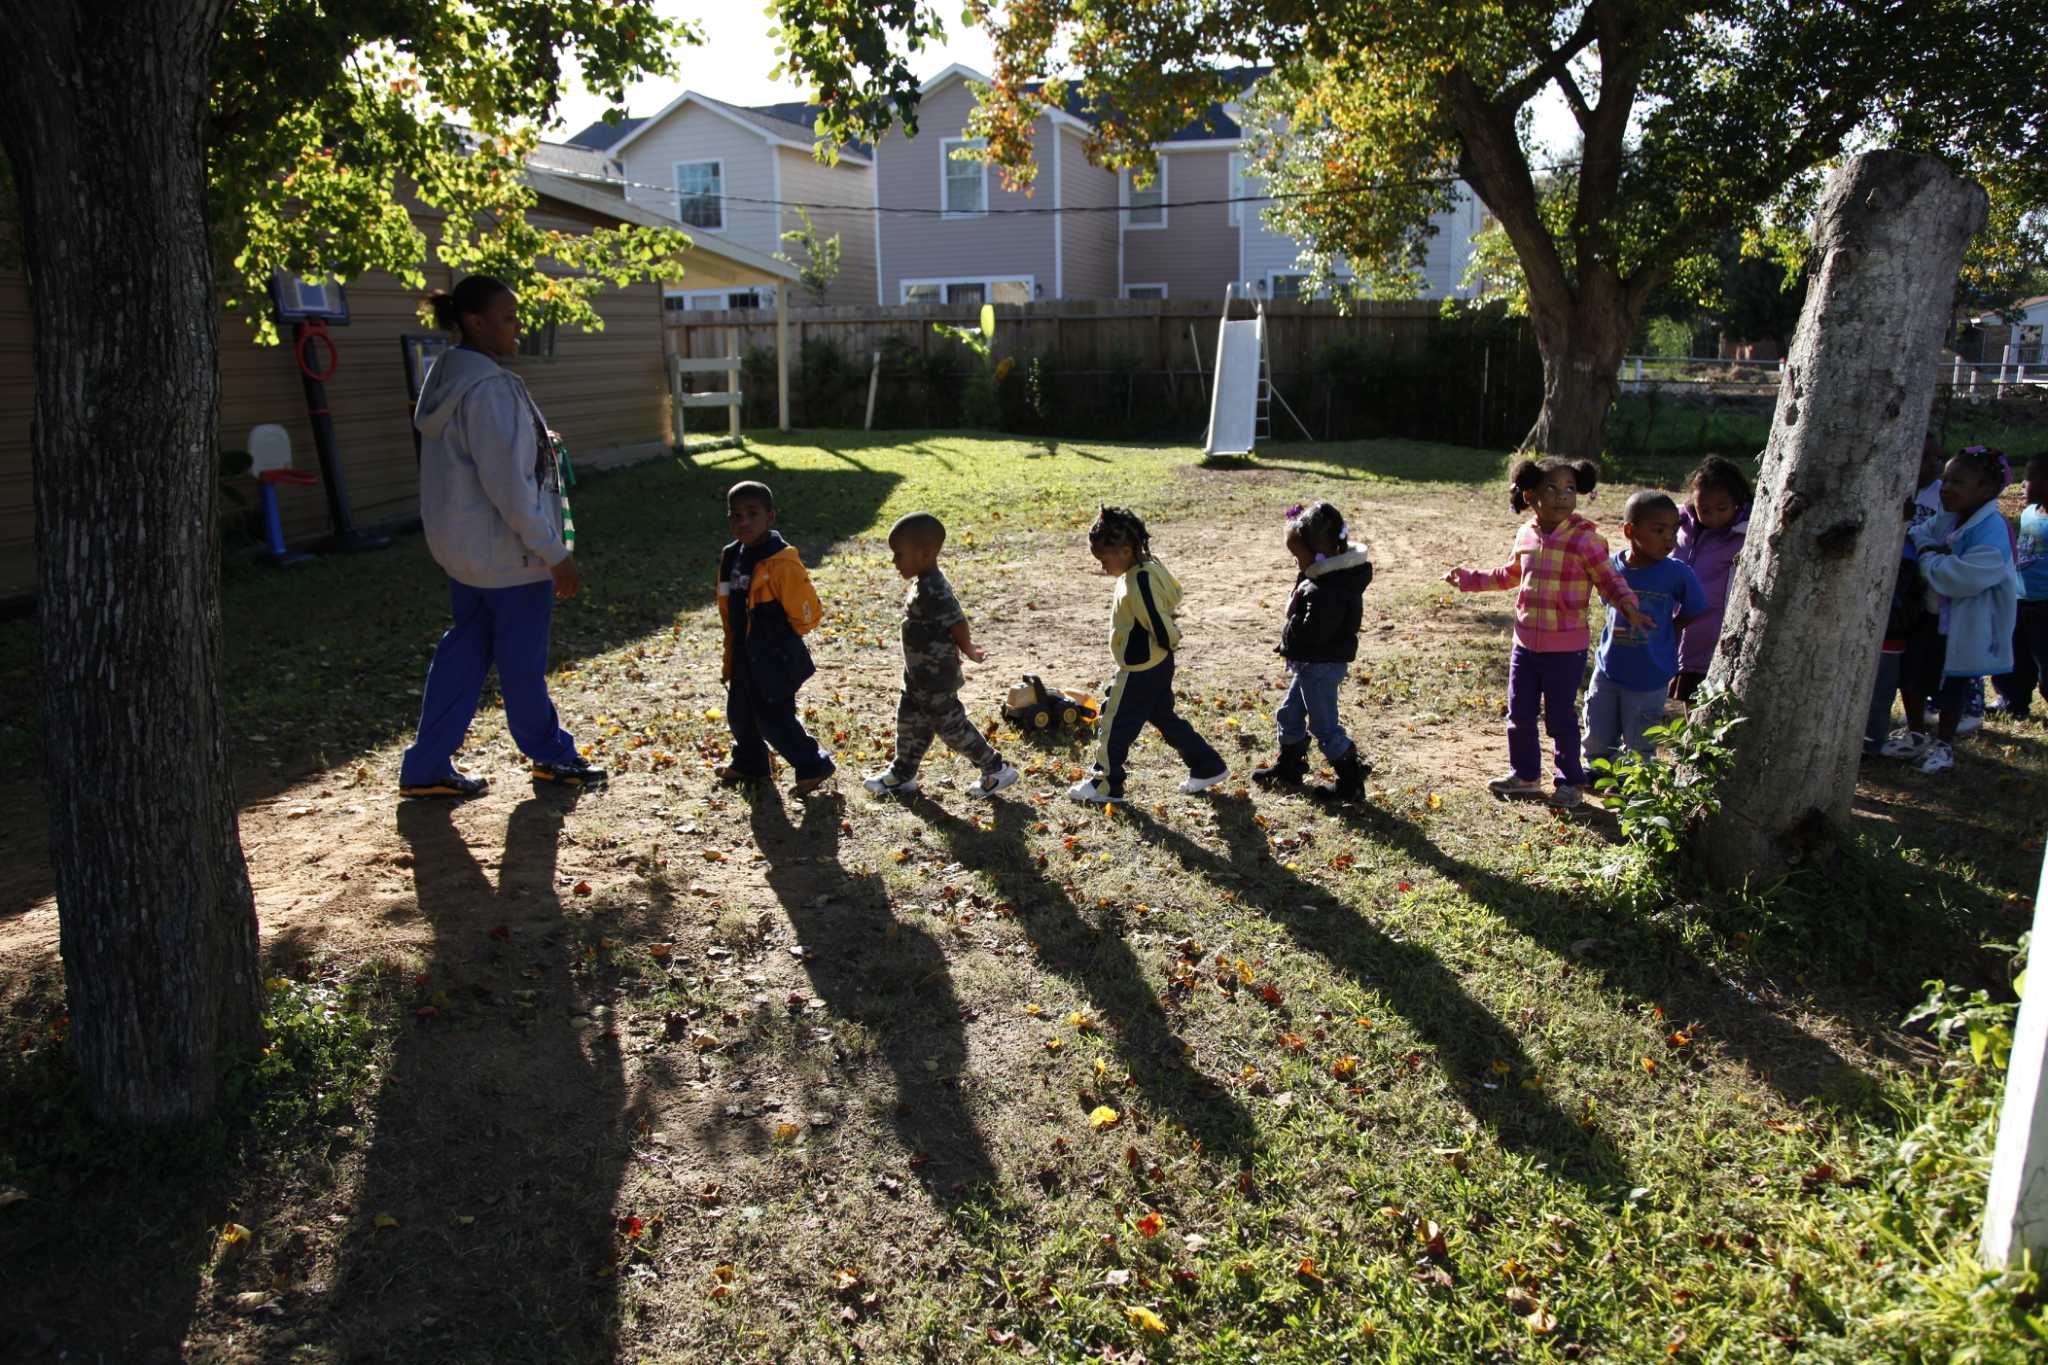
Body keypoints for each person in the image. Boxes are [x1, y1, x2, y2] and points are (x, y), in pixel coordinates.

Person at [398, 274, 603, 798]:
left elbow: (488, 462)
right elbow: (510, 488)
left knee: (465, 650)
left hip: (465, 555)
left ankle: (425, 767)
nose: (518, 327)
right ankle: (551, 756)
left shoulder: (448, 377)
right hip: (512, 557)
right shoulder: (489, 388)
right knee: (521, 663)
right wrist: (555, 555)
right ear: (474, 321)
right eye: (508, 317)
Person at [1445, 458, 1650, 809]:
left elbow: (1609, 580)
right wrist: (1469, 580)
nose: (1562, 496)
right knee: (1519, 713)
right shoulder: (1527, 534)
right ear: (1531, 495)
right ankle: (1525, 775)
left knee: (1560, 717)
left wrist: (1628, 604)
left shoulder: (1587, 539)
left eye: (1569, 489)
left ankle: (1569, 780)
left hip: (1565, 649)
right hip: (1524, 645)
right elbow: (1508, 575)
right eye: (1552, 489)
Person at [1067, 507, 1230, 805]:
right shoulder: (1149, 566)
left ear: (1126, 551)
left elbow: (1156, 619)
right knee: (1164, 717)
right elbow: (1174, 593)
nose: (1103, 568)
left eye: (1104, 561)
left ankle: (1105, 785)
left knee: (1112, 722)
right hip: (1158, 664)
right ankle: (1208, 765)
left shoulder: (1137, 581)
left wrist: (1170, 639)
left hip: (1141, 667)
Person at [1883, 446, 2021, 774]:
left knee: (1953, 685)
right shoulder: (1948, 516)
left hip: (1964, 622)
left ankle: (1944, 745)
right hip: (1930, 615)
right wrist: (1935, 552)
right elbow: (1919, 532)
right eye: (1945, 480)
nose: (1946, 488)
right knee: (1913, 674)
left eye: (1958, 482)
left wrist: (1931, 557)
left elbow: (1961, 578)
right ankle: (1916, 734)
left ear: (1986, 491)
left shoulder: (1992, 530)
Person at [862, 513, 1020, 798]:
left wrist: (968, 648)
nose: (894, 561)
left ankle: (995, 768)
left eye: (899, 554)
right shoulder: (922, 583)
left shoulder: (934, 587)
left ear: (924, 554)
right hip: (917, 677)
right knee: (909, 723)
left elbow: (956, 621)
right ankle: (902, 774)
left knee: (951, 727)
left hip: (935, 679)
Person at [1250, 501, 1375, 802]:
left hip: (1321, 665)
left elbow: (1313, 634)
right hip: (1312, 664)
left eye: (1298, 558)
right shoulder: (1323, 577)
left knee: (1324, 726)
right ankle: (1290, 766)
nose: (1296, 564)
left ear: (1319, 553)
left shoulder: (1328, 590)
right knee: (1289, 714)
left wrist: (1292, 618)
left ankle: (1351, 779)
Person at [715, 480, 835, 794]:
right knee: (740, 712)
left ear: (770, 517)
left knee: (773, 716)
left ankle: (813, 764)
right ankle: (751, 764)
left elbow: (806, 613)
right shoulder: (732, 556)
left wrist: (780, 634)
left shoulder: (781, 561)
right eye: (736, 515)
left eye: (752, 514)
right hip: (743, 650)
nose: (743, 522)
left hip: (774, 655)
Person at [1584, 492, 1706, 770]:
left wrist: (1672, 629)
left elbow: (1696, 607)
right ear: (1630, 530)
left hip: (1651, 673)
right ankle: (1597, 769)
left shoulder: (1677, 573)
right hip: (1609, 667)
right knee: (1599, 727)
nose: (1669, 538)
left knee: (1640, 737)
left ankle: (1636, 779)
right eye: (1659, 530)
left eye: (1674, 531)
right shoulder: (1611, 567)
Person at [1669, 456, 1751, 702]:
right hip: (1677, 632)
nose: (1712, 516)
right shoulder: (1677, 525)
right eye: (1704, 509)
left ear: (1737, 501)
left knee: (1708, 700)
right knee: (1685, 696)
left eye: (1721, 508)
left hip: (1716, 635)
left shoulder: (1746, 534)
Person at [1990, 452, 2048, 720]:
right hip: (2019, 599)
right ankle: (2012, 700)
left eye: (2031, 477)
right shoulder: (2027, 514)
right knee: (2013, 656)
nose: (2023, 484)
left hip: (2045, 606)